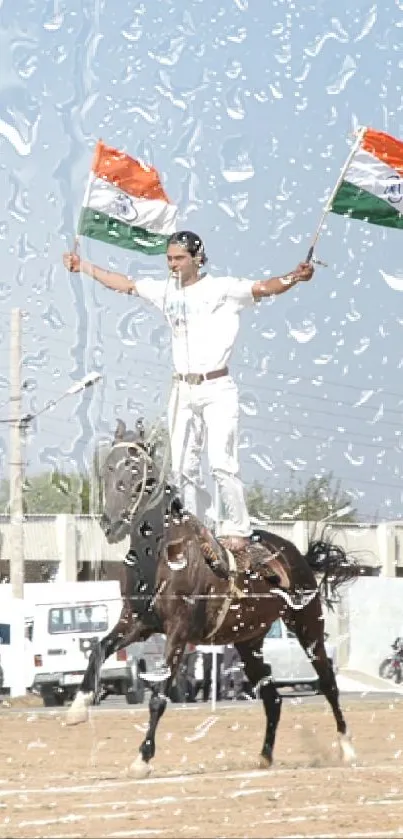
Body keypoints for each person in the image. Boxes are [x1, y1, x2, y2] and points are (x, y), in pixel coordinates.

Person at [63, 231, 314, 551]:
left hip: (217, 387)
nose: (173, 264)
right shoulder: (166, 291)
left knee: (221, 462)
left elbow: (264, 287)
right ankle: (199, 525)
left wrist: (295, 276)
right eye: (169, 259)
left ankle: (237, 527)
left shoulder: (223, 289)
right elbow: (124, 283)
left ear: (197, 258)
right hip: (182, 389)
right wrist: (83, 265)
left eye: (179, 258)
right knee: (183, 466)